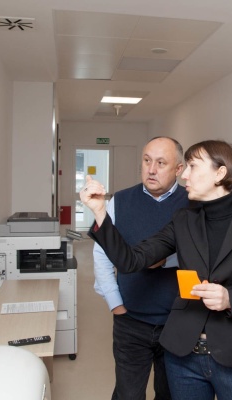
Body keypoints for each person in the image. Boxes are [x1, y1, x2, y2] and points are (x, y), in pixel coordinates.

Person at [81, 139, 232, 400]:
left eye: (193, 167)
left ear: (220, 173)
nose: (184, 174)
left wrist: (231, 299)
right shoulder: (184, 220)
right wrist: (100, 213)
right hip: (183, 358)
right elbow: (131, 260)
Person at [93, 136, 189, 400]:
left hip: (178, 321)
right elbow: (102, 254)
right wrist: (116, 304)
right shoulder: (120, 201)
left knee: (170, 393)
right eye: (147, 161)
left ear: (179, 169)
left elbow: (204, 256)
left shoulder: (193, 203)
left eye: (161, 163)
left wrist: (165, 260)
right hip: (131, 320)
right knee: (128, 394)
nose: (151, 169)